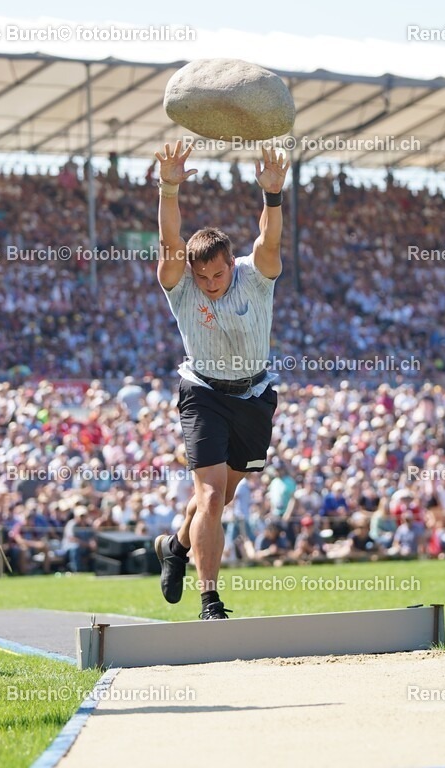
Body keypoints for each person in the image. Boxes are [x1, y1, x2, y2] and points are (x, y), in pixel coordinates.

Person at [151, 140, 289, 620]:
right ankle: (210, 600)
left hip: (253, 395)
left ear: (231, 265)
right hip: (203, 391)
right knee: (209, 493)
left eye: (217, 274)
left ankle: (174, 545)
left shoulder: (256, 275)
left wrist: (272, 195)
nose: (209, 283)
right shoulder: (182, 283)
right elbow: (170, 242)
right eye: (202, 276)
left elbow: (268, 240)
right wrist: (169, 186)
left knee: (222, 496)